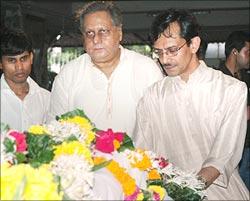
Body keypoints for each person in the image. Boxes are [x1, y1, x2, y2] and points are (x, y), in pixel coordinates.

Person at [133, 9, 249, 200]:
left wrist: (188, 192)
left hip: (220, 192)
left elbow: (222, 156)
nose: (164, 60)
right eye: (158, 52)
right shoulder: (152, 96)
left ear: (194, 44)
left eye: (172, 50)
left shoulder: (231, 89)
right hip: (166, 193)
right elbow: (142, 153)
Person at [48, 1, 163, 135]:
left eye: (103, 31)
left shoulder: (146, 69)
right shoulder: (68, 74)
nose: (96, 39)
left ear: (119, 33)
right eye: (89, 33)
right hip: (84, 156)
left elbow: (161, 126)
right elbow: (54, 129)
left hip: (139, 155)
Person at [0, 29, 50, 131]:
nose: (19, 67)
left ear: (31, 58)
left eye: (23, 59)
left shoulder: (46, 99)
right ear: (1, 63)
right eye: (11, 60)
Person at [219, 31, 250, 190]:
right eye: (247, 52)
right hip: (227, 146)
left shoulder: (245, 77)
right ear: (234, 52)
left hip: (246, 143)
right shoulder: (217, 79)